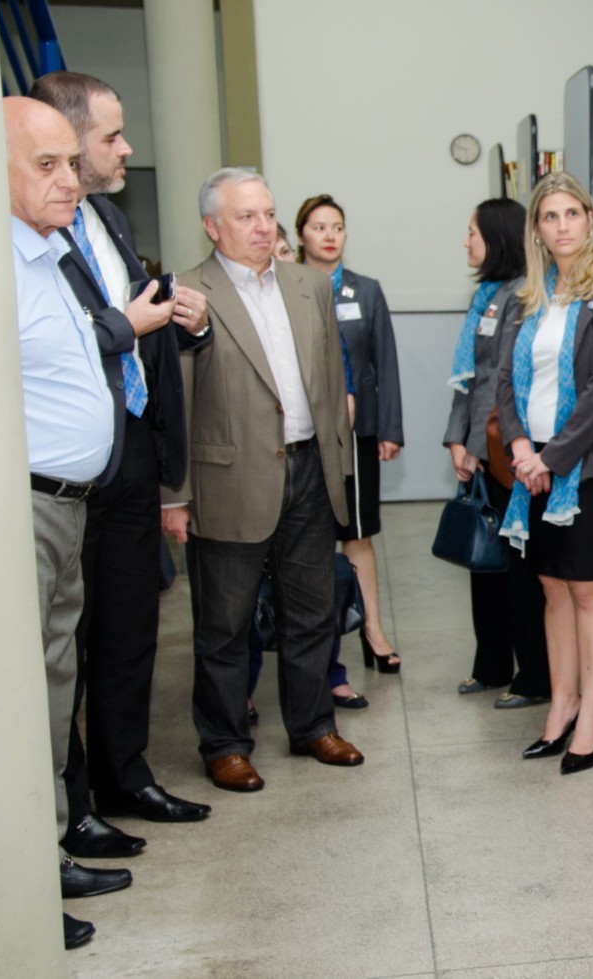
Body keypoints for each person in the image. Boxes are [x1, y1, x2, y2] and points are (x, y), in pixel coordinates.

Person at [28, 73, 215, 857]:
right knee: (63, 646)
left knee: (131, 625)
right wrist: (128, 321)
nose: (126, 149)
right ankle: (69, 805)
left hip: (130, 445)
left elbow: (132, 309)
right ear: (65, 140)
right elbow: (70, 337)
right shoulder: (26, 234)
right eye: (111, 136)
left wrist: (179, 316)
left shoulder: (105, 215)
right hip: (66, 463)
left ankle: (124, 775)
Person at [164, 168, 365, 793]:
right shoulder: (186, 292)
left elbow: (330, 380)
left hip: (309, 472)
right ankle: (225, 744)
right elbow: (176, 400)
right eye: (245, 216)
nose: (262, 227)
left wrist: (339, 469)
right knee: (224, 625)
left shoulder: (309, 284)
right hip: (228, 480)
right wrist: (175, 495)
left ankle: (313, 726)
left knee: (312, 613)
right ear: (212, 226)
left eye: (268, 214)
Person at [4, 94, 130, 951]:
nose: (70, 181)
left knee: (55, 689)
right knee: (22, 702)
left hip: (66, 507)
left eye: (70, 163)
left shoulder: (49, 256)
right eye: (45, 165)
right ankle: (19, 886)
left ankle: (45, 853)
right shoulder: (1, 270)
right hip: (25, 508)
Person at [496, 171, 593, 774]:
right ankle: (561, 706)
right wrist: (521, 447)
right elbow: (503, 380)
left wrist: (550, 459)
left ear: (590, 220)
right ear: (536, 228)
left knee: (587, 589)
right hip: (532, 465)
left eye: (572, 214)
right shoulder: (523, 296)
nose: (562, 226)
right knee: (552, 588)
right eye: (549, 216)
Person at [243, 223, 366, 721]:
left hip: (309, 465)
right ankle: (243, 688)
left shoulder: (311, 300)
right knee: (246, 592)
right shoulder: (234, 304)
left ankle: (324, 690)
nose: (279, 259)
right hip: (252, 470)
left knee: (313, 590)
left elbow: (340, 378)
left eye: (284, 252)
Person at [444, 198, 550, 708]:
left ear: (499, 236)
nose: (466, 241)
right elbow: (467, 378)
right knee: (482, 561)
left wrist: (477, 445)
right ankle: (490, 665)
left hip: (505, 448)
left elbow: (504, 380)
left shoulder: (524, 294)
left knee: (515, 569)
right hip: (478, 446)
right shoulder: (485, 295)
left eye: (473, 232)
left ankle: (533, 676)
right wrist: (456, 440)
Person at [295, 194, 405, 674]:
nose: (329, 235)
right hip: (304, 434)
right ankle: (319, 647)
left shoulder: (366, 290)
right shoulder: (287, 285)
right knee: (310, 539)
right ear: (301, 235)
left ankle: (373, 629)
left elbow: (386, 362)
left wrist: (389, 428)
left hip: (357, 433)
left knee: (357, 535)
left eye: (337, 227)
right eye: (319, 227)